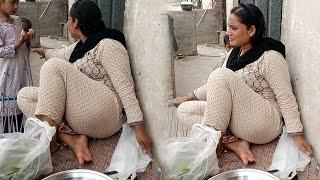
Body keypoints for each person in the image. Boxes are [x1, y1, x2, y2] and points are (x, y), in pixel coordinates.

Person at [169, 3, 312, 165]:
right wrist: (187, 97)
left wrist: (297, 134)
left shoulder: (270, 57)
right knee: (185, 111)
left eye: (234, 28)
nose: (228, 33)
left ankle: (212, 145)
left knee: (220, 75)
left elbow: (285, 96)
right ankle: (235, 143)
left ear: (251, 30)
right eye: (228, 27)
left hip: (265, 122)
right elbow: (215, 86)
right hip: (240, 119)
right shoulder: (234, 53)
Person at [17, 0, 152, 165]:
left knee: (52, 67)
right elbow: (60, 54)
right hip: (81, 113)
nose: (67, 23)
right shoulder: (79, 46)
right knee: (24, 96)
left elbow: (125, 86)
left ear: (75, 22)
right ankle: (72, 140)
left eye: (69, 19)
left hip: (106, 113)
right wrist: (45, 52)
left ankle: (49, 141)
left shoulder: (108, 44)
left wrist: (138, 125)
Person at [0, 0, 34, 133]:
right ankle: (10, 143)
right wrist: (17, 43)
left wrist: (27, 37)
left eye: (17, 2)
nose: (16, 6)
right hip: (7, 75)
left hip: (20, 72)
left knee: (21, 105)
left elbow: (23, 44)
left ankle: (20, 136)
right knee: (8, 113)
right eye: (12, 2)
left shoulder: (17, 21)